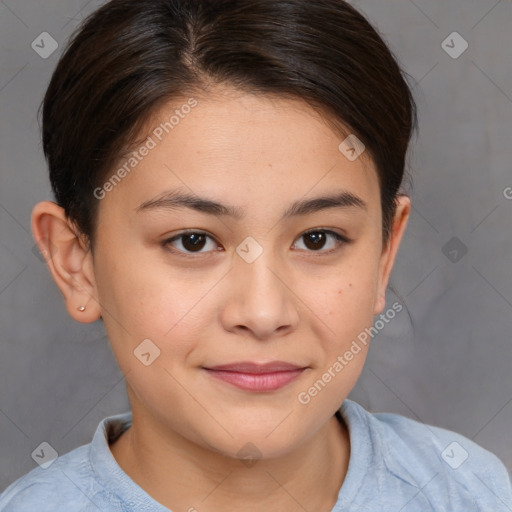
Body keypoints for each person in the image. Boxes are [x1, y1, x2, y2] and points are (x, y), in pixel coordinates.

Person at [1, 0, 511, 510]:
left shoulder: (471, 492)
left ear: (384, 254)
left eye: (318, 239)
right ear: (76, 264)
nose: (264, 313)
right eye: (193, 241)